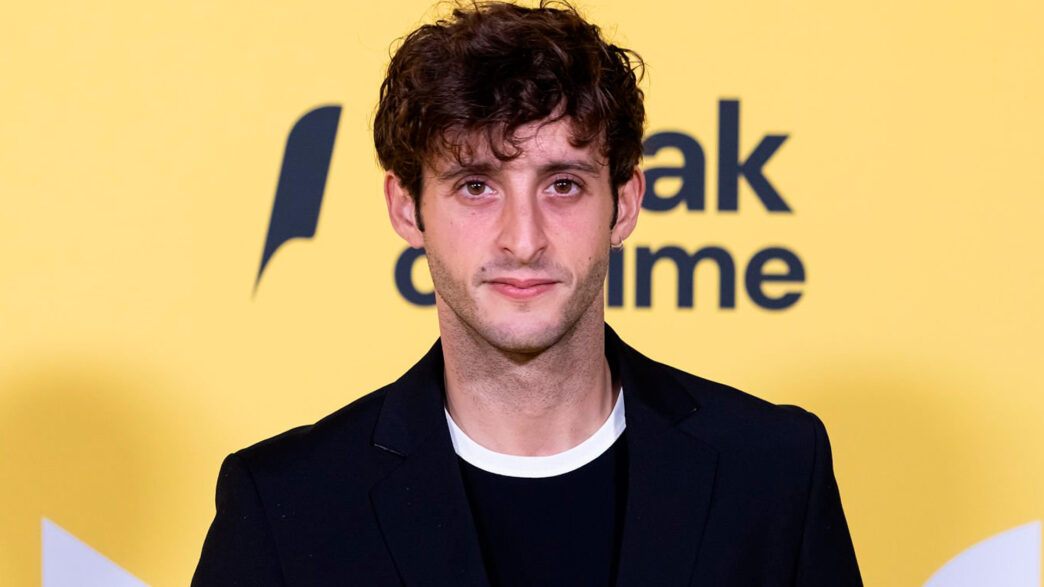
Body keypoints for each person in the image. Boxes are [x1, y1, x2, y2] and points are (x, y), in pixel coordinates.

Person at [192, 2, 862, 585]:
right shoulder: (288, 504)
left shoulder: (773, 474)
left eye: (562, 184)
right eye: (476, 185)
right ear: (406, 207)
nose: (522, 239)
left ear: (624, 204)